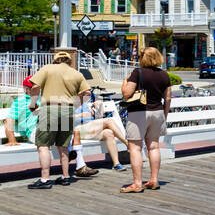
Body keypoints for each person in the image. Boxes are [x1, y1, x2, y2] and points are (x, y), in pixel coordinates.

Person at [27, 48, 91, 189]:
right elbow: (87, 92)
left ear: (55, 60)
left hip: (50, 108)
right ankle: (65, 176)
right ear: (69, 61)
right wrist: (75, 105)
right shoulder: (76, 73)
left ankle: (45, 179)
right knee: (63, 146)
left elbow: (35, 86)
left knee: (43, 145)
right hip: (67, 110)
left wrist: (32, 104)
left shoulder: (47, 68)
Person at [119, 46, 172, 193]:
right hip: (157, 112)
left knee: (135, 148)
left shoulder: (138, 72)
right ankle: (154, 180)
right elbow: (167, 98)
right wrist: (164, 115)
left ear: (143, 58)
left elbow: (127, 94)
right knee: (153, 146)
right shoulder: (164, 75)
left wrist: (124, 82)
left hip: (139, 113)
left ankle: (137, 183)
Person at [71, 96, 129, 173]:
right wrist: (80, 115)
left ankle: (116, 164)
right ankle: (127, 143)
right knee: (109, 121)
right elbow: (65, 118)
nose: (87, 93)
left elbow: (98, 117)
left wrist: (100, 106)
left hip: (90, 129)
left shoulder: (85, 103)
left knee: (109, 133)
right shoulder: (70, 101)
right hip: (79, 130)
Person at [3, 76, 39, 147]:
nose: (37, 89)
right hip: (36, 131)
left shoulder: (43, 97)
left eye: (38, 86)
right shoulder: (19, 102)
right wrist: (12, 140)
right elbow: (9, 120)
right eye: (33, 87)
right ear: (26, 89)